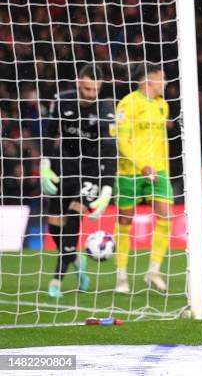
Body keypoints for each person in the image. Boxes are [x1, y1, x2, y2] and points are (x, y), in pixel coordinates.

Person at [41, 63, 116, 298]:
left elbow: (110, 148)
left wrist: (106, 188)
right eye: (86, 90)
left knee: (73, 219)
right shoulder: (62, 101)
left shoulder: (105, 109)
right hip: (64, 165)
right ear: (78, 84)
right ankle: (76, 259)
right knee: (55, 227)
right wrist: (45, 163)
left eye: (95, 90)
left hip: (91, 170)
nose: (91, 95)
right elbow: (49, 133)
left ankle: (56, 280)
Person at [113, 63, 173, 293]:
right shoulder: (128, 104)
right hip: (131, 171)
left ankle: (153, 271)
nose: (165, 83)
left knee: (166, 216)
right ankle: (121, 276)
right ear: (150, 80)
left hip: (158, 171)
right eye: (162, 79)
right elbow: (122, 142)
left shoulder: (162, 106)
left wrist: (156, 167)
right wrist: (141, 165)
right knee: (125, 221)